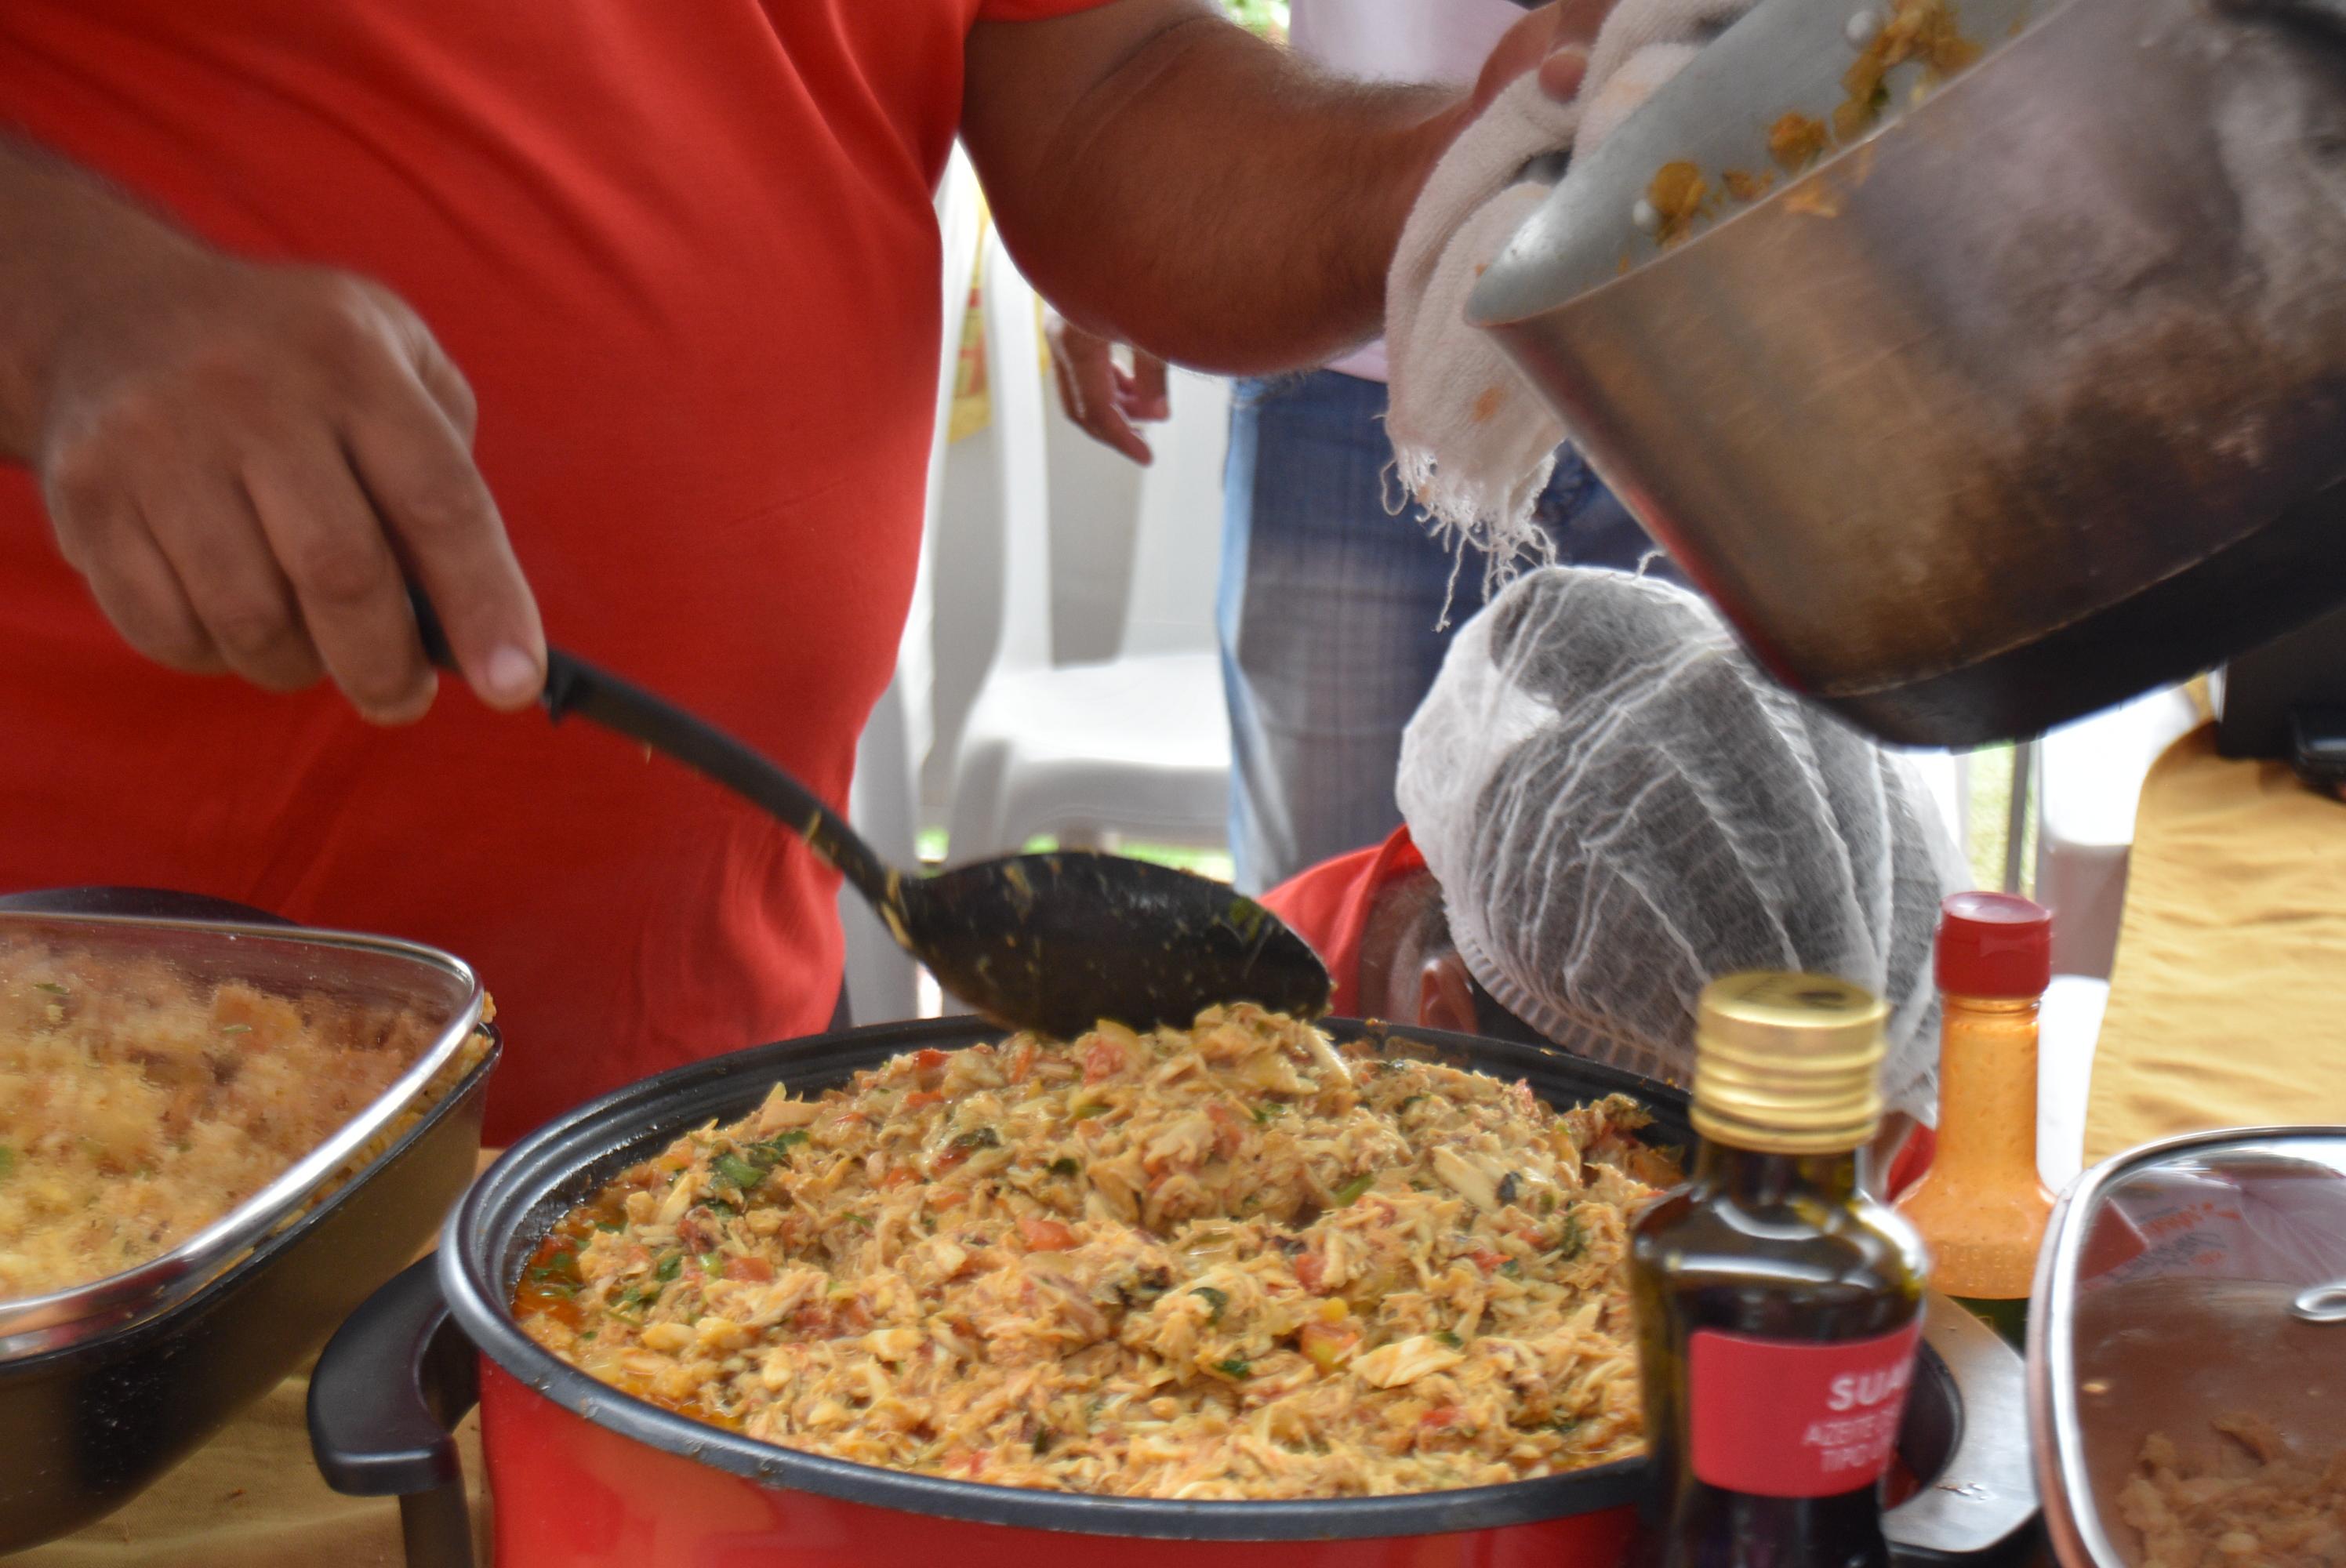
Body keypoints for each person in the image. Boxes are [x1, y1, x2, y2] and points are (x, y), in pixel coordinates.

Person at [0, 1, 1608, 1142]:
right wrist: (78, 307)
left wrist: (1443, 168)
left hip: (705, 1072)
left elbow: (1101, 85)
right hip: (95, 1119)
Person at [1050, 1, 1670, 895]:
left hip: (1719, 327)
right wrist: (1116, 192)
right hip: (1352, 360)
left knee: (1711, 936)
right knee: (1328, 926)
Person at [1258, 566, 1970, 1188]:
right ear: (1450, 1050)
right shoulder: (1243, 1041)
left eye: (1872, 1169)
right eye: (1673, 1177)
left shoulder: (1885, 1084)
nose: (1841, 1219)